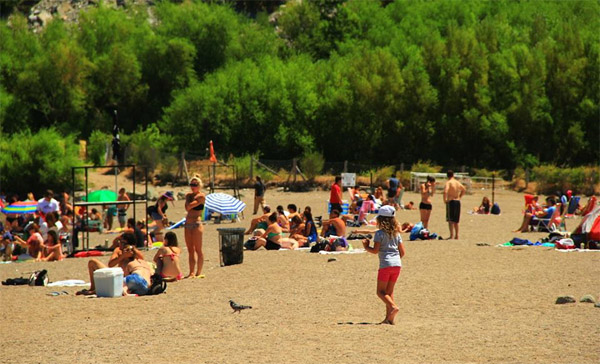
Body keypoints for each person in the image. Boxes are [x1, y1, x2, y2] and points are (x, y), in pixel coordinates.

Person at [361, 205, 405, 325]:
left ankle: (393, 307)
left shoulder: (379, 234)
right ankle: (389, 319)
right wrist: (395, 260)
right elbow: (403, 252)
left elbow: (375, 250)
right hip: (397, 264)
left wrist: (366, 246)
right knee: (389, 293)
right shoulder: (397, 234)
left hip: (386, 264)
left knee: (380, 292)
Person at [76, 232, 144, 296]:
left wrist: (133, 251)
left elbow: (142, 260)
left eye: (123, 242)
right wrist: (122, 256)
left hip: (126, 281)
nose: (120, 243)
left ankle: (95, 290)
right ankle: (93, 288)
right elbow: (111, 264)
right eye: (120, 241)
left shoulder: (133, 252)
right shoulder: (118, 250)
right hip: (115, 276)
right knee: (92, 262)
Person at [184, 175, 205, 278]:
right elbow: (187, 207)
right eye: (191, 184)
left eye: (195, 185)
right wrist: (189, 200)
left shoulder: (201, 196)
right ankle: (191, 272)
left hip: (196, 223)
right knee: (190, 249)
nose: (193, 187)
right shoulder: (189, 195)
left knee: (198, 249)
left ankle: (198, 272)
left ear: (199, 185)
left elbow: (189, 206)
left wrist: (189, 200)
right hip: (188, 224)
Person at [443, 170, 466, 239]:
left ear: (447, 176)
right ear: (453, 175)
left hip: (451, 201)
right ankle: (457, 235)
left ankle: (451, 235)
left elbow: (445, 191)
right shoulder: (457, 182)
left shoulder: (448, 182)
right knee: (456, 220)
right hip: (457, 201)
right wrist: (460, 197)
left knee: (450, 220)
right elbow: (464, 189)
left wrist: (445, 200)